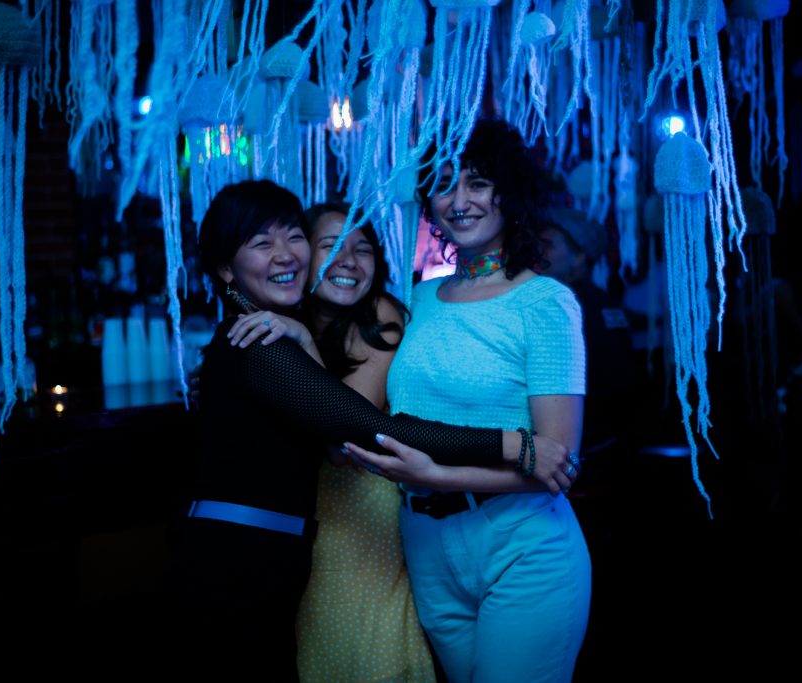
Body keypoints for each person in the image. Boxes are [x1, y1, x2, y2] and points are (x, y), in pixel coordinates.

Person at [165, 179, 578, 678]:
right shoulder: (260, 341)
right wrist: (513, 444)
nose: (284, 255)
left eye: (292, 236)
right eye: (260, 243)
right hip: (235, 563)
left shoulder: (277, 332)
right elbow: (367, 429)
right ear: (226, 269)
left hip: (262, 560)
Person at [347, 119, 591, 683]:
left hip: (520, 543)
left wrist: (440, 474)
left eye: (477, 183)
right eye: (444, 184)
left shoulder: (546, 304)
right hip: (426, 545)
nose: (459, 200)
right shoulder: (419, 297)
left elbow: (559, 463)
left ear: (509, 191)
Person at [294, 203, 436, 682]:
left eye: (363, 249)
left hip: (360, 507)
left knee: (367, 650)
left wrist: (299, 346)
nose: (349, 260)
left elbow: (345, 429)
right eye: (330, 246)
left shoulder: (381, 315)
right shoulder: (295, 317)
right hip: (308, 511)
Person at [537, 205, 634, 470]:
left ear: (579, 257)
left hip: (577, 453)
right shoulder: (605, 302)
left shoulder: (563, 307)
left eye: (547, 245)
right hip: (608, 444)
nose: (537, 253)